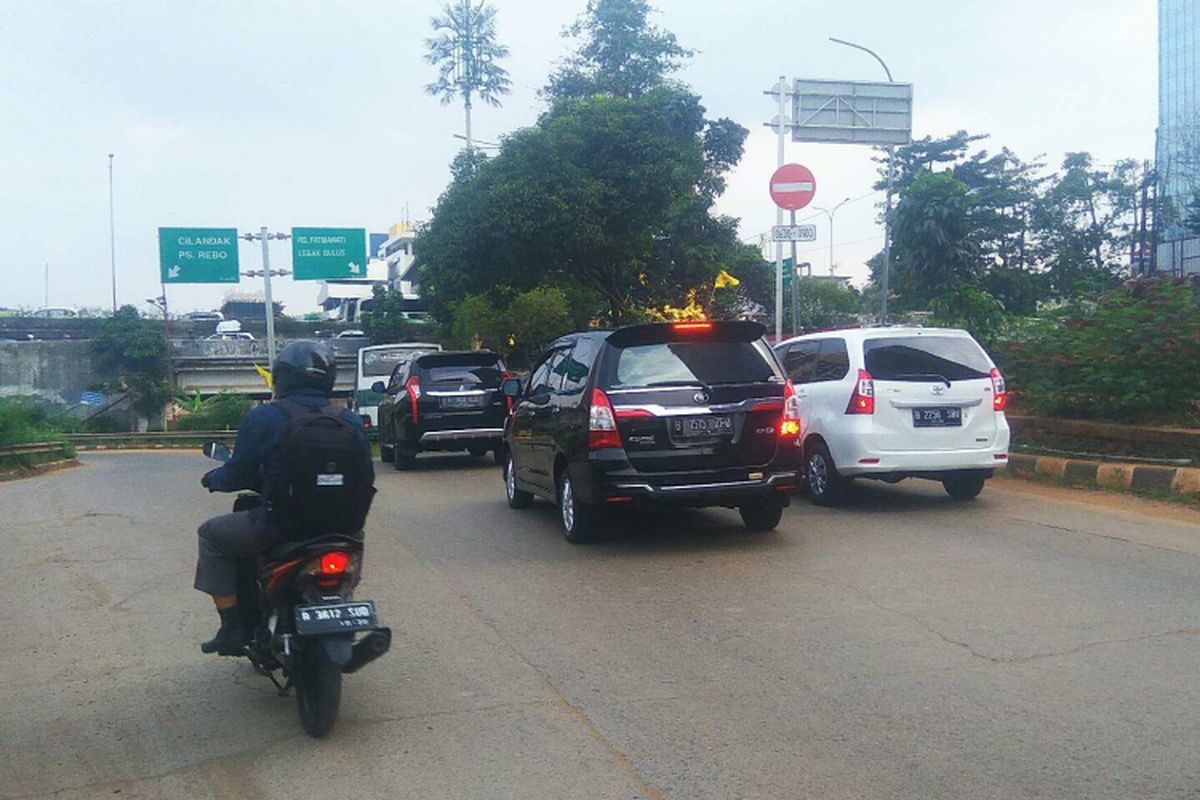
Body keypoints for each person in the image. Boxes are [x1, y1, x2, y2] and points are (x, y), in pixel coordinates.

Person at [195, 339, 374, 655]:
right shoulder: (349, 420)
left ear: (281, 377)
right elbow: (367, 477)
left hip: (279, 528)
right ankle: (340, 605)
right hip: (344, 531)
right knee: (350, 553)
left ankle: (233, 626)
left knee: (211, 535)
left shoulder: (265, 417)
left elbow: (237, 472)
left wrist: (213, 479)